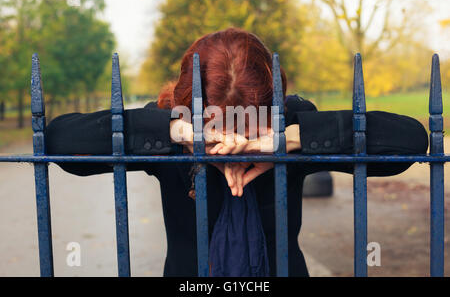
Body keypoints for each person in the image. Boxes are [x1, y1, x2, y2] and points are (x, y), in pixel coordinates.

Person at [46, 28, 428, 276]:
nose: (230, 141)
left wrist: (290, 141)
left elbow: (409, 141)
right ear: (189, 105)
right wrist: (175, 132)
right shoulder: (170, 130)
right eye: (217, 127)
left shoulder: (291, 123)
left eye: (245, 127)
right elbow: (59, 143)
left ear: (272, 106)